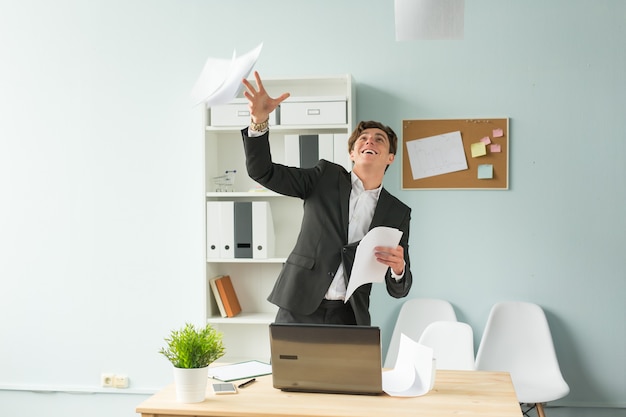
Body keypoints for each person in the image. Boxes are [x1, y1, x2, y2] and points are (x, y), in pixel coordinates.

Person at [240, 71, 412, 326]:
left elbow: (399, 288)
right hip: (298, 305)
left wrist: (399, 270)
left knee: (344, 369)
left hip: (349, 315)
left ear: (390, 158)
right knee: (288, 367)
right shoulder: (324, 177)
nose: (370, 141)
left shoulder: (397, 212)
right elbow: (262, 172)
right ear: (352, 153)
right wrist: (258, 122)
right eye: (363, 139)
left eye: (380, 139)